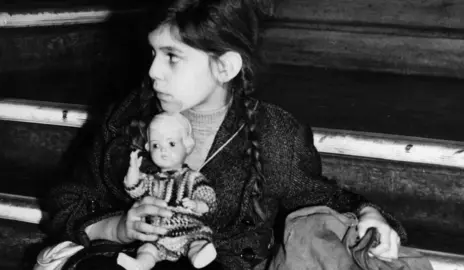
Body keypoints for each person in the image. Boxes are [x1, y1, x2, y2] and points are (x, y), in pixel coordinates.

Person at [44, 0, 406, 269]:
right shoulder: (127, 118)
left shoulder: (272, 133)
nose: (153, 71)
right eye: (153, 52)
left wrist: (370, 214)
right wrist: (118, 226)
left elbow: (319, 194)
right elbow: (69, 201)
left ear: (225, 66)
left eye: (172, 56)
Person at [117, 112, 217, 270]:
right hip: (158, 233)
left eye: (171, 144)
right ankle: (140, 264)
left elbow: (209, 202)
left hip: (188, 229)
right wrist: (133, 171)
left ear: (187, 145)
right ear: (148, 148)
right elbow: (134, 190)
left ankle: (199, 255)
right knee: (147, 250)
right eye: (156, 145)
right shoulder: (152, 180)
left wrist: (196, 204)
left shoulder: (192, 178)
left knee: (198, 242)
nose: (163, 151)